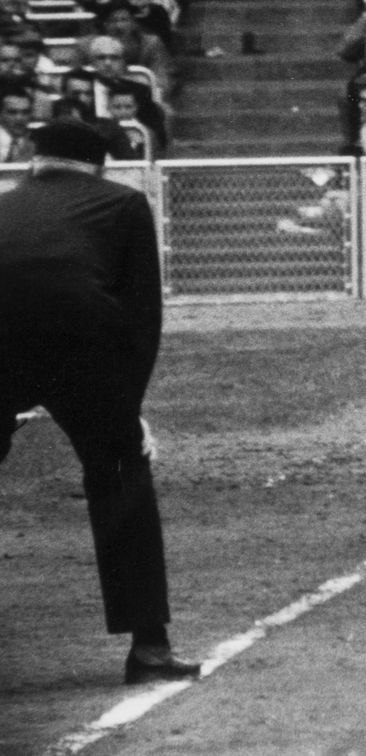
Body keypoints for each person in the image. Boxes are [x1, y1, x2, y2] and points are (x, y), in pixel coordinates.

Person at [0, 120, 200, 684]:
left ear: (33, 160)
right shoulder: (122, 203)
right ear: (100, 165)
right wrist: (126, 410)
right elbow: (142, 318)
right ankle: (150, 649)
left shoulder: (2, 206)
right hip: (79, 342)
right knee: (119, 477)